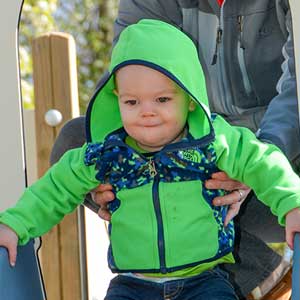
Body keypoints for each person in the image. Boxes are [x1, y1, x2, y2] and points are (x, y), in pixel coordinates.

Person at [1, 19, 300, 300]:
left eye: (162, 100)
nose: (147, 111)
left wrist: (292, 204)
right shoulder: (110, 153)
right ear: (117, 100)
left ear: (189, 98)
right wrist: (14, 225)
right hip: (132, 284)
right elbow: (56, 187)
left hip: (203, 280)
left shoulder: (213, 141)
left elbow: (263, 162)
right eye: (132, 102)